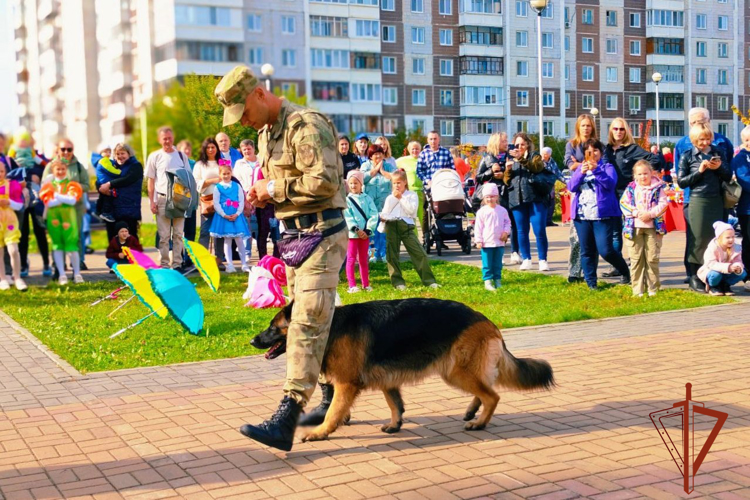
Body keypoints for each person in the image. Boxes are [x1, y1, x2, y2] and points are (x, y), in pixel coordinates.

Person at [216, 65, 347, 451]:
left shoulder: (304, 125)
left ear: (258, 94)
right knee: (311, 318)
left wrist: (273, 187)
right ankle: (330, 398)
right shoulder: (267, 131)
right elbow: (282, 189)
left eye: (244, 113)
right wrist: (264, 194)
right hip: (294, 238)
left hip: (322, 234)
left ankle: (286, 415)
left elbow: (324, 180)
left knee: (305, 321)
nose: (243, 123)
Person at [674, 108, 734, 283]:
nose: (704, 142)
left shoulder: (720, 146)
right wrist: (700, 172)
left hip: (716, 198)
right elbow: (682, 179)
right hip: (694, 198)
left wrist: (719, 168)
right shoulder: (684, 148)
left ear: (709, 121)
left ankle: (715, 273)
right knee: (696, 237)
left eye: (702, 121)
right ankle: (693, 274)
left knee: (715, 237)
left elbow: (728, 173)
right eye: (694, 122)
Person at [567, 139, 631, 290]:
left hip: (602, 215)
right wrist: (580, 173)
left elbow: (610, 184)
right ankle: (591, 284)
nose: (592, 154)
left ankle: (625, 271)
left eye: (595, 150)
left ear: (601, 153)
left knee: (605, 250)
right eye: (589, 151)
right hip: (582, 215)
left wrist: (596, 170)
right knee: (586, 250)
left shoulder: (607, 167)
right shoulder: (580, 168)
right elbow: (571, 187)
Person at [602, 117, 662, 278]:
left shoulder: (632, 149)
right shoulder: (606, 149)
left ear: (626, 131)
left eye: (622, 129)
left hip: (627, 196)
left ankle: (634, 266)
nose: (618, 132)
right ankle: (618, 266)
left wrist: (640, 176)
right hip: (610, 195)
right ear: (610, 131)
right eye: (615, 129)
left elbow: (655, 159)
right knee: (615, 232)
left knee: (629, 230)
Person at [381, 169, 438, 290]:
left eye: (399, 182)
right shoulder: (389, 198)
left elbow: (412, 211)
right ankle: (398, 282)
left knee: (419, 253)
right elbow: (385, 212)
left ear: (405, 182)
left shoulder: (411, 195)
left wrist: (401, 198)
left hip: (406, 226)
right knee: (392, 255)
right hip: (392, 225)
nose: (397, 185)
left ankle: (429, 280)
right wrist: (383, 217)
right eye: (394, 183)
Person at [503, 132, 551, 271]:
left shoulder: (534, 156)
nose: (519, 147)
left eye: (522, 144)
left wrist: (521, 159)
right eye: (517, 145)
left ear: (528, 145)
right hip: (517, 199)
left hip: (535, 198)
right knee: (521, 231)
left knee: (539, 230)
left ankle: (542, 260)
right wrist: (507, 170)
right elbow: (506, 182)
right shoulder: (511, 158)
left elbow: (537, 168)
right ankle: (526, 259)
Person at [145, 126, 192, 270]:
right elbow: (151, 181)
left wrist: (188, 199)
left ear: (173, 138)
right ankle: (165, 265)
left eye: (169, 138)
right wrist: (151, 201)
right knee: (164, 236)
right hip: (162, 199)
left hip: (179, 198)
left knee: (178, 234)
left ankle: (177, 264)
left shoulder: (181, 156)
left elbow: (188, 177)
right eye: (164, 138)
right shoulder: (155, 156)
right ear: (160, 140)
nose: (167, 141)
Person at [620, 161, 668, 297]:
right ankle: (637, 289)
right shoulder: (631, 189)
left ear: (651, 173)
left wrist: (650, 214)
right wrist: (636, 213)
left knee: (652, 258)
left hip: (653, 228)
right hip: (634, 227)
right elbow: (623, 203)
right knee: (636, 259)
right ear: (635, 175)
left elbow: (664, 204)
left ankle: (653, 288)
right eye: (639, 174)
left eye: (645, 173)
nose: (643, 177)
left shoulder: (658, 188)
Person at [42, 138, 90, 272]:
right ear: (58, 150)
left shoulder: (79, 166)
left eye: (69, 149)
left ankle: (78, 263)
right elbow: (44, 185)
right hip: (56, 208)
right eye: (63, 149)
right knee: (57, 235)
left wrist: (73, 187)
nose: (66, 152)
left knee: (76, 235)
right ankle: (59, 264)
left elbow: (87, 185)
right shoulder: (50, 166)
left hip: (75, 207)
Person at [39, 160, 84, 285]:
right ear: (53, 171)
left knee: (72, 245)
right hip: (54, 220)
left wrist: (57, 196)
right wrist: (63, 198)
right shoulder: (48, 186)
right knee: (57, 245)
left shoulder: (72, 185)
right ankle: (62, 275)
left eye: (63, 169)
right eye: (58, 169)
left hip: (69, 219)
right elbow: (49, 202)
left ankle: (77, 273)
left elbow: (72, 201)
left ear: (67, 170)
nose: (60, 172)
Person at [564, 115, 597, 283]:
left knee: (592, 238)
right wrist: (580, 164)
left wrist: (581, 163)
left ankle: (589, 272)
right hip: (578, 192)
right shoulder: (572, 145)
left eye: (589, 125)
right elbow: (569, 164)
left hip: (595, 194)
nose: (586, 128)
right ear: (578, 127)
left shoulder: (596, 145)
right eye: (583, 125)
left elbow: (599, 163)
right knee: (575, 236)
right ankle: (574, 272)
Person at [476, 132, 519, 263]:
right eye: (504, 141)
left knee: (512, 223)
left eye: (506, 141)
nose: (507, 144)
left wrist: (507, 171)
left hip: (510, 193)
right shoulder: (487, 158)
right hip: (494, 197)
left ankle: (515, 252)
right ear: (496, 143)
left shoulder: (510, 156)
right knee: (494, 225)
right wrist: (491, 172)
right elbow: (478, 177)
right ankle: (499, 255)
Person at [209, 161, 251, 273]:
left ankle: (244, 264)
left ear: (231, 173)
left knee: (239, 240)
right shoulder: (217, 187)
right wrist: (224, 215)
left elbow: (241, 200)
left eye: (228, 173)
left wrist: (237, 213)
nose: (226, 176)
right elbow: (216, 203)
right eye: (224, 174)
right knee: (227, 240)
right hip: (224, 217)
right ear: (220, 175)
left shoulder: (236, 186)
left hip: (236, 216)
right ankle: (230, 265)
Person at [193, 137, 226, 266]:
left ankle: (219, 260)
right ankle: (202, 260)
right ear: (204, 149)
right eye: (208, 147)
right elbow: (197, 184)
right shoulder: (199, 165)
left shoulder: (222, 162)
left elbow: (229, 177)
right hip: (207, 201)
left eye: (213, 147)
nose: (211, 150)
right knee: (205, 231)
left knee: (219, 232)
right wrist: (213, 180)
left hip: (222, 201)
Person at [343, 170, 378, 293]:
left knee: (363, 259)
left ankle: (365, 284)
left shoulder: (367, 198)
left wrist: (368, 229)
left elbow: (374, 214)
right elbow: (347, 216)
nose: (353, 186)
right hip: (353, 234)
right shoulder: (347, 200)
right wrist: (356, 229)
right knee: (351, 259)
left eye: (355, 183)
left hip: (365, 235)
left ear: (361, 184)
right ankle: (352, 285)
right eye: (351, 183)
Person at [100, 143, 143, 242]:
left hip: (129, 207)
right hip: (115, 208)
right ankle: (117, 257)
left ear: (129, 154)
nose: (120, 156)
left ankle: (134, 257)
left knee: (130, 236)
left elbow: (127, 179)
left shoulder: (136, 166)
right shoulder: (114, 167)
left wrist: (109, 184)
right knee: (115, 238)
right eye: (117, 154)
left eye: (122, 153)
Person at [360, 144, 394, 263]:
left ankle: (384, 254)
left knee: (383, 231)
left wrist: (382, 171)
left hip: (384, 205)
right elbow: (362, 179)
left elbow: (395, 178)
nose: (378, 155)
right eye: (375, 154)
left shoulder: (388, 166)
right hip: (369, 205)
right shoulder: (365, 166)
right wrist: (374, 170)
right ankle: (372, 254)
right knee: (371, 231)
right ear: (370, 156)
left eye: (380, 153)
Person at [474, 183, 511, 291]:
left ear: (497, 197)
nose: (490, 199)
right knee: (487, 264)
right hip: (486, 243)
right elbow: (478, 227)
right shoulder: (482, 212)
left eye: (492, 196)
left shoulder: (502, 210)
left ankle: (497, 280)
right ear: (484, 198)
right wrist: (478, 240)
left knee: (497, 263)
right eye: (487, 197)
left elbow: (507, 223)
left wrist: (506, 232)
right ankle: (488, 281)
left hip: (499, 242)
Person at [697, 221, 746, 295]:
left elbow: (738, 260)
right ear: (719, 238)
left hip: (728, 272)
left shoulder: (736, 248)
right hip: (712, 271)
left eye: (733, 237)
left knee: (743, 273)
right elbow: (710, 263)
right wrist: (728, 267)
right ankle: (713, 286)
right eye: (728, 237)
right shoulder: (712, 248)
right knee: (716, 275)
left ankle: (725, 285)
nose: (731, 239)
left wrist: (737, 266)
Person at [0, 160, 27, 291]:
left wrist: (8, 202)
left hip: (10, 222)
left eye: (1, 171)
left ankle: (17, 277)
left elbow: (20, 205)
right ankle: (3, 278)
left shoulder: (12, 185)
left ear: (5, 172)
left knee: (13, 249)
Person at [233, 139, 258, 263]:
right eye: (244, 150)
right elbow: (238, 181)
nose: (247, 151)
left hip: (261, 196)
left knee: (261, 226)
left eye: (249, 148)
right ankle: (246, 253)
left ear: (253, 148)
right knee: (246, 227)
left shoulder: (261, 161)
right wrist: (245, 196)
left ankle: (262, 251)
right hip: (246, 197)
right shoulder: (239, 163)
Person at [731, 125, 750, 292]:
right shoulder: (741, 158)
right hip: (747, 209)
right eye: (747, 140)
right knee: (749, 243)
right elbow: (745, 181)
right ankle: (748, 276)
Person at [396, 141, 425, 235]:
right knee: (411, 217)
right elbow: (392, 165)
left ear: (420, 150)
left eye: (417, 149)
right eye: (413, 149)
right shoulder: (403, 160)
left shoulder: (424, 159)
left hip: (422, 192)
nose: (415, 150)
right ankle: (414, 238)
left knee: (423, 217)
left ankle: (426, 238)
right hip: (410, 193)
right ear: (409, 150)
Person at [541, 146, 563, 227]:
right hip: (542, 186)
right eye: (542, 154)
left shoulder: (553, 163)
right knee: (543, 203)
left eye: (545, 154)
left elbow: (558, 173)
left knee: (551, 202)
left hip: (551, 185)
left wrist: (567, 183)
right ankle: (543, 221)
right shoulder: (539, 162)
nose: (543, 155)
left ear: (549, 155)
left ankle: (549, 220)